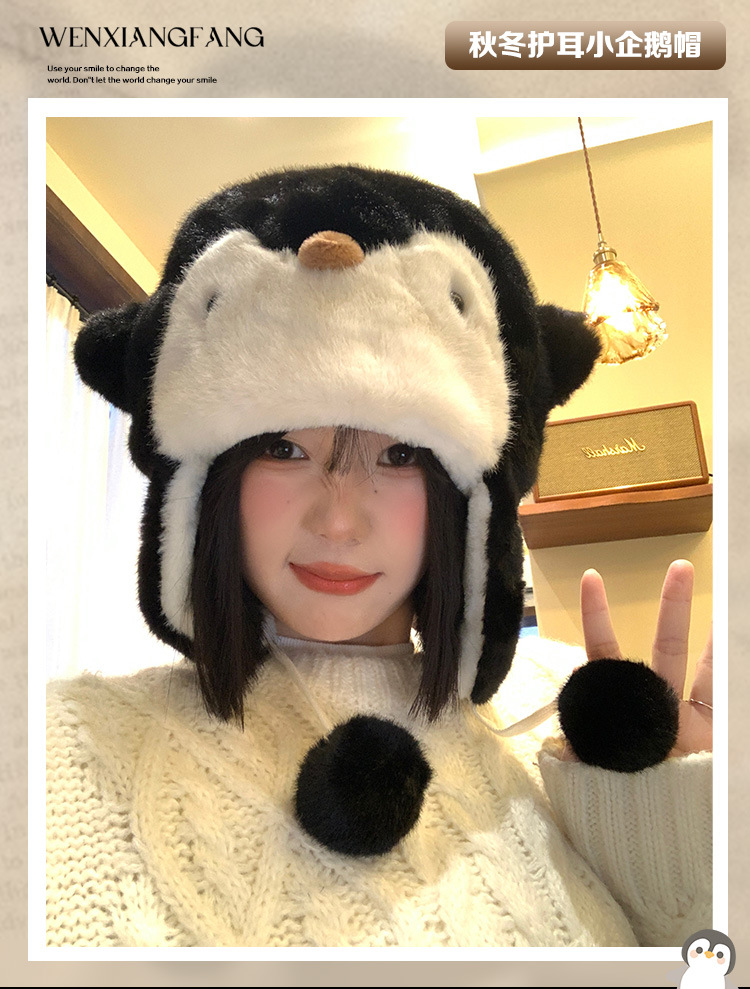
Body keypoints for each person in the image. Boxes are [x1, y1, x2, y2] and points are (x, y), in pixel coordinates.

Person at [46, 166, 712, 948]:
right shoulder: (65, 751)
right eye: (283, 447)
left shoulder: (569, 729)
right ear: (206, 485)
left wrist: (666, 840)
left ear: (469, 500)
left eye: (399, 455)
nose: (338, 520)